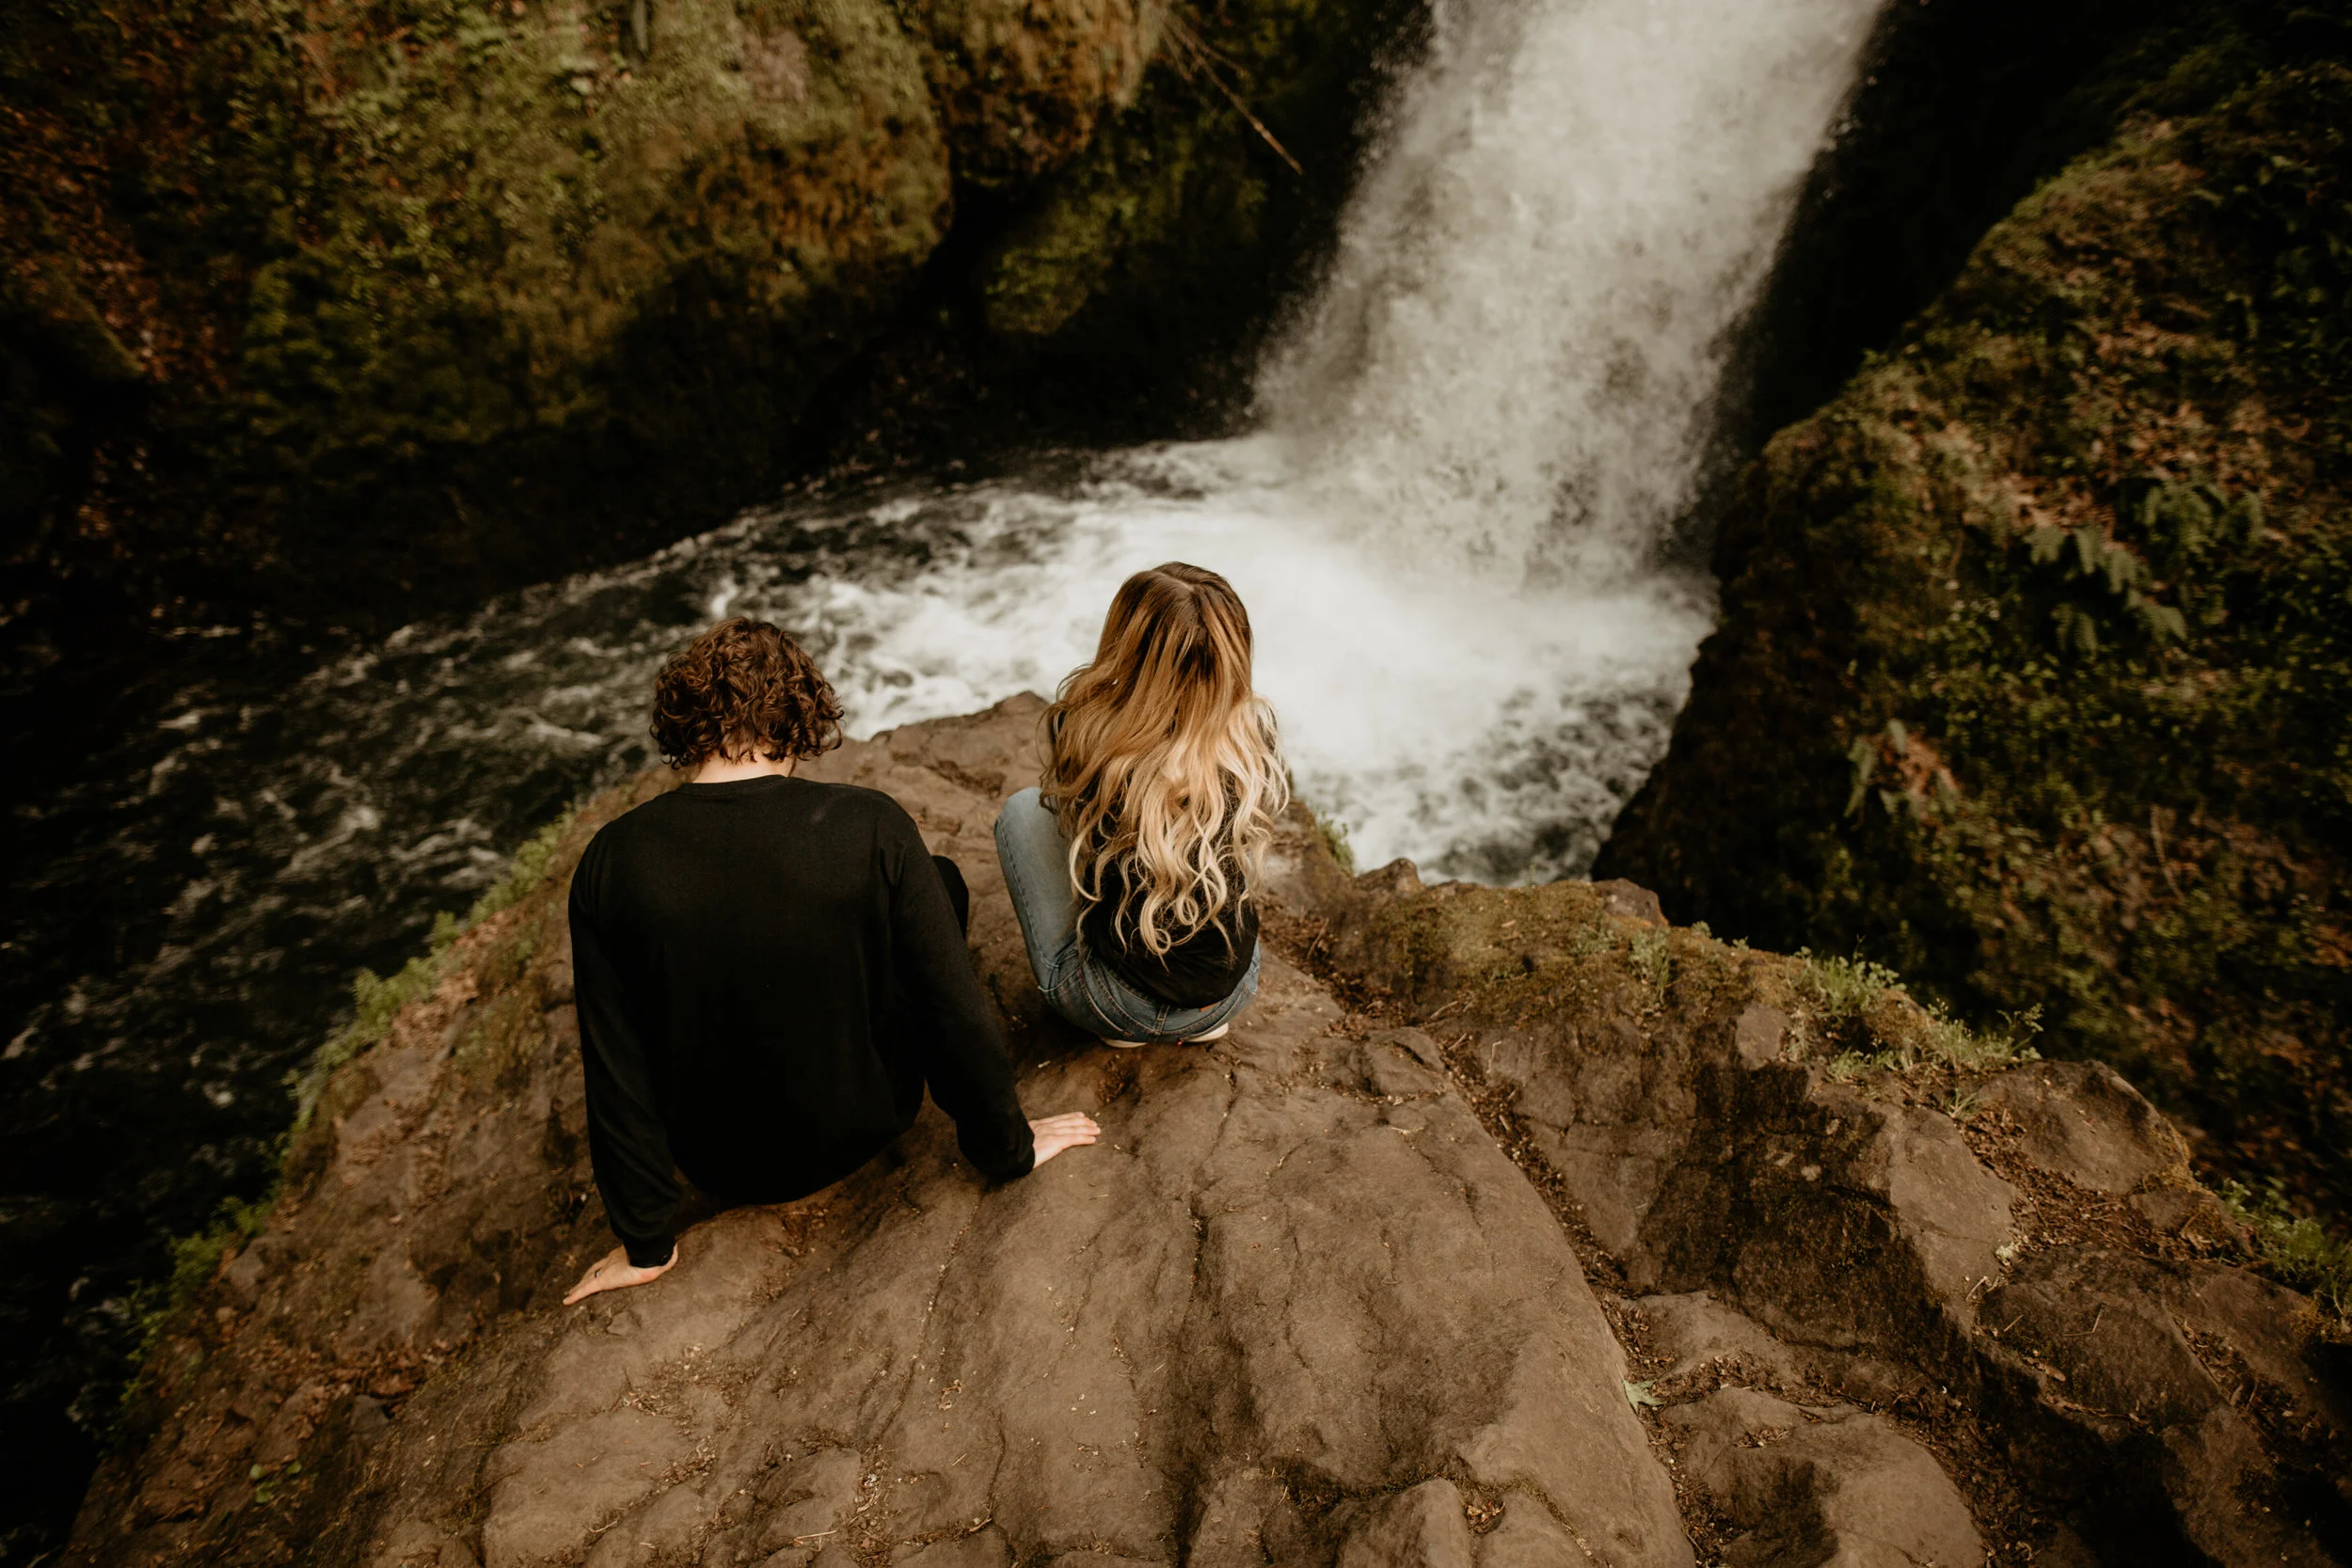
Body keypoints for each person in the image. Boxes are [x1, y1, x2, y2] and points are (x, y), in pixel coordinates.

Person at [562, 617, 1100, 1306]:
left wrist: (646, 1241)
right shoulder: (871, 826)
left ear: (683, 723)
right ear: (798, 717)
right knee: (938, 885)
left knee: (923, 883)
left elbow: (615, 1063)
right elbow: (950, 1007)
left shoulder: (612, 860)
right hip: (865, 1121)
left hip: (722, 1163)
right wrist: (1007, 1145)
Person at [993, 562, 1287, 1050]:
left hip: (1116, 1003)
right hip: (1232, 992)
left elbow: (1077, 838)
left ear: (1125, 647)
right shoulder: (1252, 739)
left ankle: (1122, 1024)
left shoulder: (1086, 732)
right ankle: (1193, 1022)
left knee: (1025, 811)